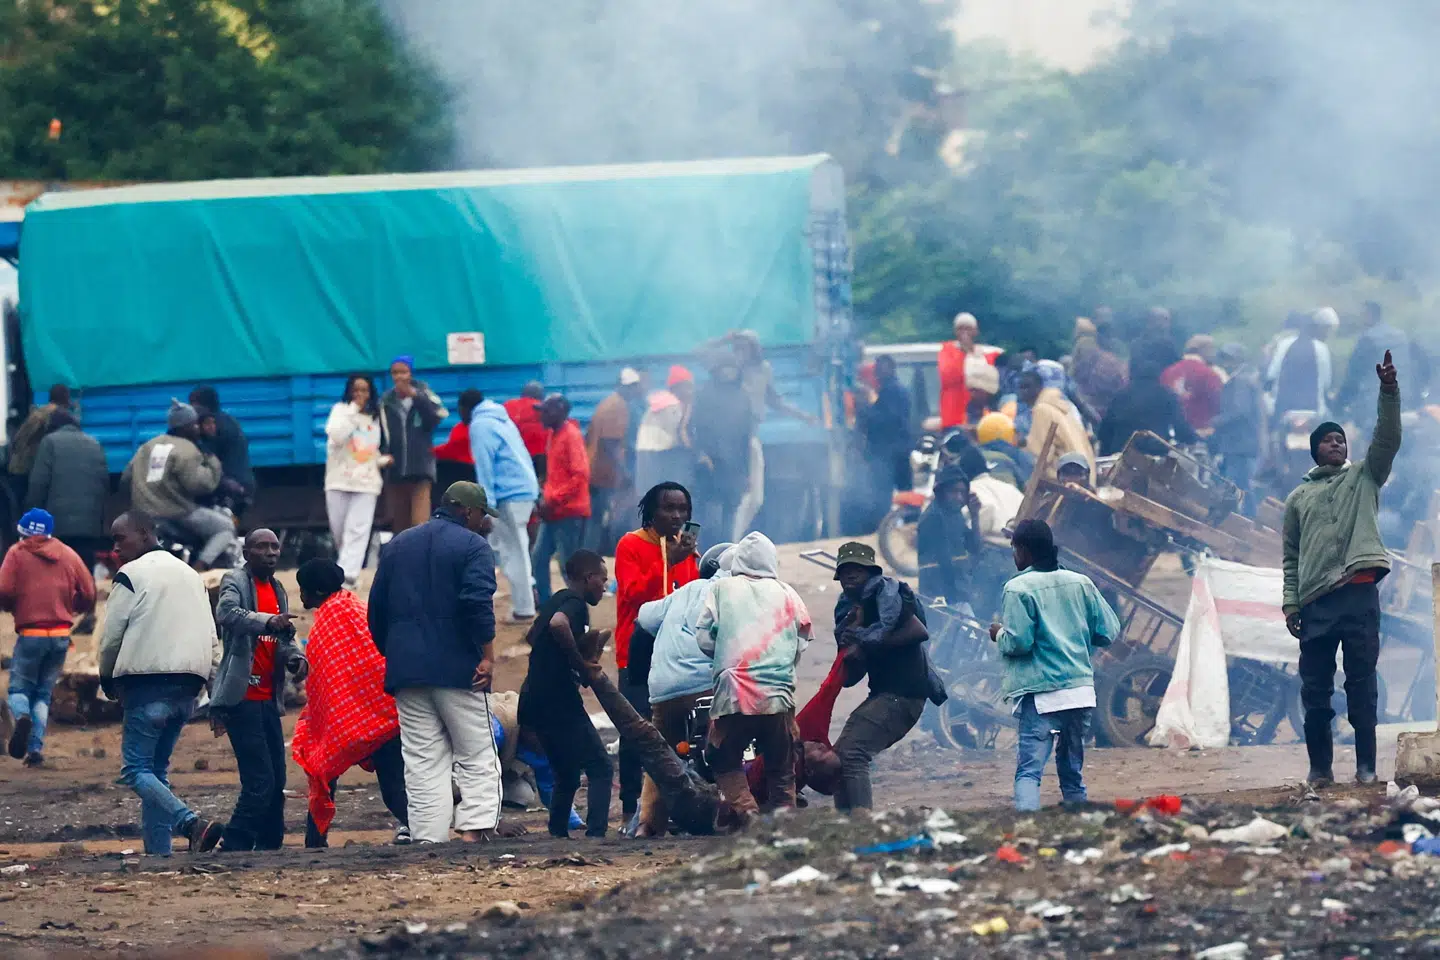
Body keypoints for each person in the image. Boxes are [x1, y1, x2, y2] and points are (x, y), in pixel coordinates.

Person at [1284, 352, 1400, 787]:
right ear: (1316, 449)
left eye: (1342, 440)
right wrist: (1290, 603)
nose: (1337, 444)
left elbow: (1387, 438)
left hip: (1358, 594)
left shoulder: (1365, 477)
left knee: (1362, 684)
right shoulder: (1299, 498)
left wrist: (1389, 391)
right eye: (1329, 440)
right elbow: (1290, 556)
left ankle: (1366, 768)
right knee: (1315, 689)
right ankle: (1320, 769)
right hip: (1316, 601)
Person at [368, 481, 505, 843]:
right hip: (459, 669)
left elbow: (376, 610)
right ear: (468, 511)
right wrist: (487, 657)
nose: (483, 523)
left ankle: (428, 838)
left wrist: (397, 654)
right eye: (481, 515)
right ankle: (474, 829)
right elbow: (477, 603)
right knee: (476, 750)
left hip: (407, 671)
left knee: (422, 760)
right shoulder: (474, 546)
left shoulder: (398, 545)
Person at [98, 511, 224, 855]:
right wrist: (215, 689)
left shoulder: (131, 574)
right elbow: (211, 638)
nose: (115, 548)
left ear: (144, 534)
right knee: (155, 771)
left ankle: (191, 824)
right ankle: (159, 854)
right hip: (188, 688)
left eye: (120, 538)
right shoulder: (192, 576)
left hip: (146, 685)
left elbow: (111, 637)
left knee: (135, 770)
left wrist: (106, 678)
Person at [991, 519, 1118, 811]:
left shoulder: (1017, 588)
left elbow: (1019, 643)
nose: (1014, 555)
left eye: (1014, 549)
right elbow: (1108, 631)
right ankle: (1080, 822)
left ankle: (1027, 824)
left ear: (1023, 550)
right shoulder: (1081, 583)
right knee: (1072, 773)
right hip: (1080, 694)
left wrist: (998, 635)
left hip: (1042, 697)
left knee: (1029, 772)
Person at [290, 559, 409, 848]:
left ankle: (315, 842)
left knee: (323, 764)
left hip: (361, 715)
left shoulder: (327, 625)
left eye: (303, 590)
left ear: (317, 591)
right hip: (386, 712)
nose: (301, 596)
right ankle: (425, 829)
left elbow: (324, 681)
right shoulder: (356, 607)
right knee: (393, 785)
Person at [696, 532, 811, 822]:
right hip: (779, 695)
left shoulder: (722, 588)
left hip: (734, 694)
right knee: (781, 763)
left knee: (722, 756)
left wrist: (724, 655)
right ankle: (785, 818)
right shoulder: (787, 592)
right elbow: (802, 640)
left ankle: (746, 810)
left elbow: (703, 637)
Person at [211, 529, 308, 852]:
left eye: (275, 547)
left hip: (268, 697)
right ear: (246, 553)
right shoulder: (235, 581)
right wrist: (268, 621)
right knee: (260, 780)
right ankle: (234, 843)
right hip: (242, 697)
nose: (270, 553)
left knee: (277, 780)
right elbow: (227, 614)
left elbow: (282, 638)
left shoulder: (278, 589)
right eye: (262, 547)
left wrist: (296, 658)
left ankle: (270, 846)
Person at [832, 541, 942, 815]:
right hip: (884, 694)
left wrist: (866, 642)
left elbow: (919, 632)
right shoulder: (848, 612)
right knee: (839, 758)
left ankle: (862, 821)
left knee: (852, 753)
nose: (850, 575)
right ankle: (846, 826)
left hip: (904, 694)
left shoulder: (887, 598)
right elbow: (851, 678)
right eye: (845, 570)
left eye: (858, 569)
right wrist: (853, 643)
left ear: (871, 573)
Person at [613, 482, 700, 822]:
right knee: (636, 729)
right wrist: (669, 561)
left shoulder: (685, 548)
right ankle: (629, 807)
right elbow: (633, 593)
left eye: (682, 509)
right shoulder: (630, 544)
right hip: (637, 651)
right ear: (651, 512)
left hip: (677, 654)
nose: (677, 516)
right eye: (669, 508)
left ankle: (675, 806)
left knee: (681, 730)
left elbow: (691, 595)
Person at [634, 541, 734, 837]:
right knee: (735, 741)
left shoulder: (686, 591)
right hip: (710, 686)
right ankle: (738, 811)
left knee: (661, 753)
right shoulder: (738, 593)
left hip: (665, 690)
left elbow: (644, 616)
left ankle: (647, 824)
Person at [518, 549, 612, 838]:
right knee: (601, 767)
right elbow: (558, 625)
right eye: (603, 579)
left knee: (567, 773)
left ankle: (557, 833)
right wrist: (579, 663)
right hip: (558, 701)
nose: (605, 586)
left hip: (533, 699)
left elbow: (533, 636)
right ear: (588, 578)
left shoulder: (556, 599)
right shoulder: (574, 602)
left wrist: (560, 657)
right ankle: (596, 835)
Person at [0, 508, 95, 765]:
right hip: (61, 634)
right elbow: (88, 590)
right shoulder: (67, 553)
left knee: (19, 689)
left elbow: (4, 589)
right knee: (43, 694)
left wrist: (12, 606)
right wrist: (74, 608)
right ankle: (35, 751)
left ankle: (21, 716)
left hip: (31, 633)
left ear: (22, 531)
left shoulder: (16, 553)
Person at [121, 400, 236, 570]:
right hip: (176, 513)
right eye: (194, 425)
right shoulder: (187, 448)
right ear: (185, 427)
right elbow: (200, 485)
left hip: (144, 513)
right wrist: (212, 462)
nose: (197, 428)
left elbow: (126, 479)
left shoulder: (147, 446)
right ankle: (200, 566)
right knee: (225, 527)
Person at [468, 392, 541, 621]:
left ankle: (524, 608)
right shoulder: (502, 419)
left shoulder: (480, 425)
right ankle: (529, 598)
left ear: (465, 408)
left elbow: (484, 468)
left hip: (509, 494)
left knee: (513, 552)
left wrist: (485, 507)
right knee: (517, 549)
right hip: (524, 490)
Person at [26, 405, 110, 599]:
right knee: (84, 567)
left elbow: (39, 483)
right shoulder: (94, 443)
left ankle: (61, 604)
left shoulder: (49, 443)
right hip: (89, 524)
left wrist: (32, 515)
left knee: (57, 569)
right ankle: (86, 605)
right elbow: (103, 483)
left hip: (58, 525)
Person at [324, 375, 393, 587]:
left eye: (364, 390)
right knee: (339, 531)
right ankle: (345, 569)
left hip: (367, 482)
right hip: (339, 479)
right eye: (356, 390)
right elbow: (336, 436)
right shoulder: (341, 411)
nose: (360, 395)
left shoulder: (375, 416)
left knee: (358, 530)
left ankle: (348, 575)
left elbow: (373, 449)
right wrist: (353, 411)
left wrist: (382, 460)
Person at [690, 358, 757, 544]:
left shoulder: (743, 396)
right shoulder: (704, 394)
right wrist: (701, 453)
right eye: (724, 368)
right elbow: (693, 427)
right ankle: (690, 547)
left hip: (734, 464)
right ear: (716, 371)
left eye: (732, 369)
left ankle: (726, 548)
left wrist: (747, 472)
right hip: (707, 463)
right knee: (699, 509)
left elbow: (746, 436)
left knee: (731, 509)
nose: (728, 373)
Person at [379, 356, 449, 534]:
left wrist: (416, 397)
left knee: (420, 523)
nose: (399, 377)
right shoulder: (386, 400)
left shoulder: (424, 393)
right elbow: (381, 432)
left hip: (420, 468)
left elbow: (436, 418)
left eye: (403, 372)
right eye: (395, 372)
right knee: (399, 525)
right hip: (396, 470)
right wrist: (384, 455)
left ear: (410, 373)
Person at [533, 395, 591, 606]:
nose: (542, 415)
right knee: (538, 558)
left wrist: (553, 500)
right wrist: (545, 498)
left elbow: (580, 475)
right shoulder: (554, 434)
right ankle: (547, 608)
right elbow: (557, 475)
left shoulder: (571, 436)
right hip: (554, 511)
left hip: (569, 512)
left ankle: (579, 612)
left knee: (568, 566)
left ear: (560, 412)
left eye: (546, 411)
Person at [1335, 301, 1431, 425]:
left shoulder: (1368, 339)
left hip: (1376, 405)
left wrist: (1339, 405)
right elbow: (1417, 366)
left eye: (1361, 314)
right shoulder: (1401, 336)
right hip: (1403, 400)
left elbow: (1353, 377)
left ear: (1369, 314)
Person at [585, 368, 645, 552]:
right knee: (600, 519)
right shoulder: (618, 406)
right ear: (626, 387)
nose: (635, 391)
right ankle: (591, 554)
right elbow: (610, 442)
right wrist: (624, 472)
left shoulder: (609, 402)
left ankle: (590, 553)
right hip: (604, 473)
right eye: (633, 387)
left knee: (596, 518)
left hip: (597, 469)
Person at [1097, 350, 1198, 456]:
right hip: (1154, 454)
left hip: (1121, 453)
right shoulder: (1167, 395)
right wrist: (1194, 439)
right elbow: (1182, 430)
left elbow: (1105, 432)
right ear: (1158, 375)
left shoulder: (1120, 396)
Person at [1211, 343, 1268, 516]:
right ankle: (1247, 520)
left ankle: (1248, 521)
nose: (1224, 364)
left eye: (1227, 359)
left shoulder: (1240, 381)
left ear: (1235, 360)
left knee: (1241, 485)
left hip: (1240, 443)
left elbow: (1240, 410)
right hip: (1243, 443)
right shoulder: (1245, 379)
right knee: (1242, 484)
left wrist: (1216, 421)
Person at [917, 465, 980, 613]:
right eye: (953, 491)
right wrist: (960, 593)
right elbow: (944, 560)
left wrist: (975, 516)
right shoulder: (934, 517)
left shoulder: (955, 514)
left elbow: (974, 547)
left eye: (962, 492)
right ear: (941, 491)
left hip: (956, 592)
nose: (959, 497)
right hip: (941, 593)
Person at [1018, 368, 1095, 477]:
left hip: (1068, 478)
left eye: (1027, 387)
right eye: (1021, 387)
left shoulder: (1042, 410)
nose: (1023, 391)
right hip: (1084, 474)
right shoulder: (1060, 407)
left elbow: (1042, 456)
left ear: (1039, 387)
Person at [860, 355, 914, 509]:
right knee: (904, 489)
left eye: (880, 369)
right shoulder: (893, 390)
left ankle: (904, 517)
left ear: (890, 369)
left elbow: (886, 420)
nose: (877, 373)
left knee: (885, 493)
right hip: (898, 450)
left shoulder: (892, 391)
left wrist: (867, 407)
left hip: (890, 452)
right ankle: (909, 516)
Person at [189, 386, 255, 511]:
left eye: (193, 405)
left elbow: (206, 460)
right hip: (241, 485)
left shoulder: (210, 426)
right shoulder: (228, 420)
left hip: (229, 489)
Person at [634, 365, 697, 496]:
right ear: (676, 387)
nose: (691, 391)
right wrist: (698, 453)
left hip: (646, 457)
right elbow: (681, 436)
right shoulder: (673, 407)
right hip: (662, 458)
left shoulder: (659, 403)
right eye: (687, 386)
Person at [7, 385, 73, 498]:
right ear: (65, 399)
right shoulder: (57, 416)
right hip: (31, 469)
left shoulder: (39, 412)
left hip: (18, 466)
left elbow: (18, 439)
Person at [1268, 313, 1333, 420]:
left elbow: (1271, 374)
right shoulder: (1322, 348)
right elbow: (1327, 382)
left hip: (1284, 410)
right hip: (1314, 411)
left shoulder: (1284, 344)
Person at [937, 312, 994, 428]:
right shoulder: (947, 350)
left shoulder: (984, 354)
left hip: (979, 418)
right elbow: (948, 375)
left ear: (976, 331)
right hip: (953, 418)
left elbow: (988, 382)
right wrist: (965, 352)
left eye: (968, 328)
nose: (964, 332)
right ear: (955, 332)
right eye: (960, 329)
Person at [1160, 335, 1226, 433]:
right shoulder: (1209, 373)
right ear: (1204, 350)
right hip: (1203, 431)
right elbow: (1220, 402)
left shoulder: (1167, 372)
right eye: (1212, 349)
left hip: (1172, 431)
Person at [1071, 312, 1129, 420]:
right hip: (1088, 401)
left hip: (1102, 403)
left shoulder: (1115, 354)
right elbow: (1079, 372)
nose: (1109, 339)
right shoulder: (1087, 344)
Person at [504, 382, 550, 478]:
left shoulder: (508, 405)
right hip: (538, 458)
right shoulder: (542, 408)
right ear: (541, 396)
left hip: (512, 458)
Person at [433, 388, 484, 466]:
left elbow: (450, 449)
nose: (459, 412)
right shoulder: (459, 428)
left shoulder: (477, 429)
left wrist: (427, 452)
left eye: (461, 409)